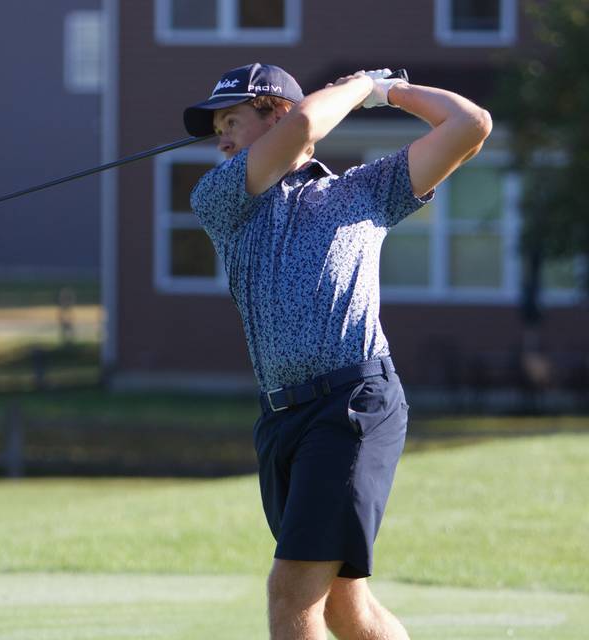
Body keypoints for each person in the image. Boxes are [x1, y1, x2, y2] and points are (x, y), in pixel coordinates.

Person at [183, 63, 491, 640]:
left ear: (271, 114)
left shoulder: (365, 192)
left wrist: (387, 90)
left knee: (292, 590)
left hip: (354, 405)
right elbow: (303, 124)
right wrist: (359, 88)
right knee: (345, 608)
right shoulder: (221, 199)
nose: (220, 136)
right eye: (216, 126)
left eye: (232, 120)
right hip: (281, 422)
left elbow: (469, 124)